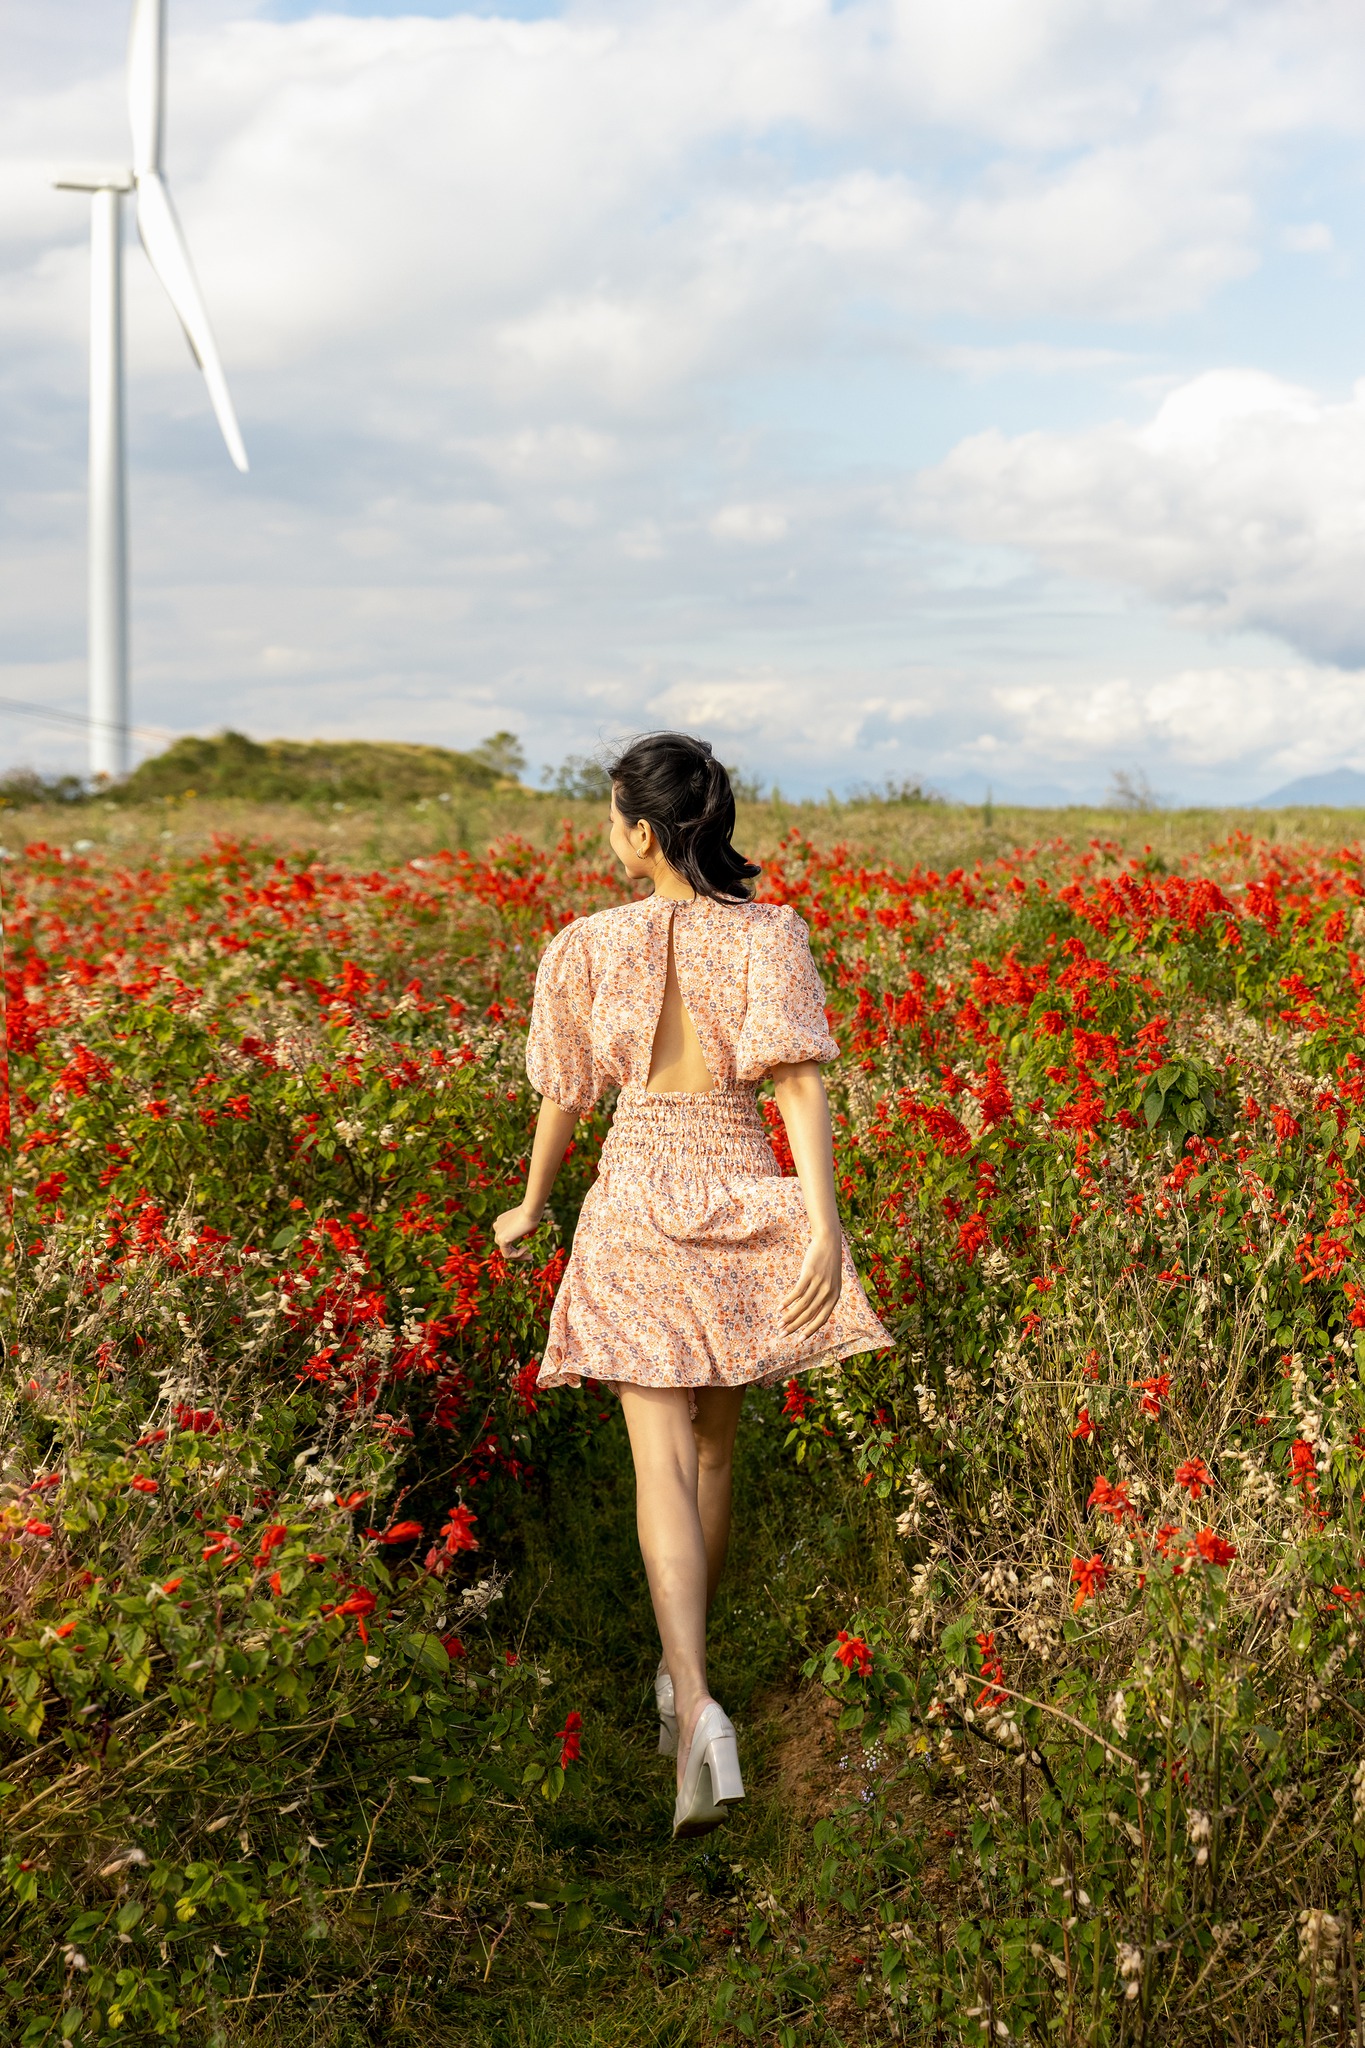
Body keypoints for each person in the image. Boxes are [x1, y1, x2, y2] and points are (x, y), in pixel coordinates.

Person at [494, 732, 892, 1837]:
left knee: (658, 1456)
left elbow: (565, 1095)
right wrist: (823, 1219)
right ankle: (690, 1682)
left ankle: (694, 1699)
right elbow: (799, 1088)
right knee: (715, 1442)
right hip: (737, 1181)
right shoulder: (772, 933)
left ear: (639, 828)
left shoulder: (580, 943)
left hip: (634, 1198)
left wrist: (532, 1204)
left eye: (609, 817)